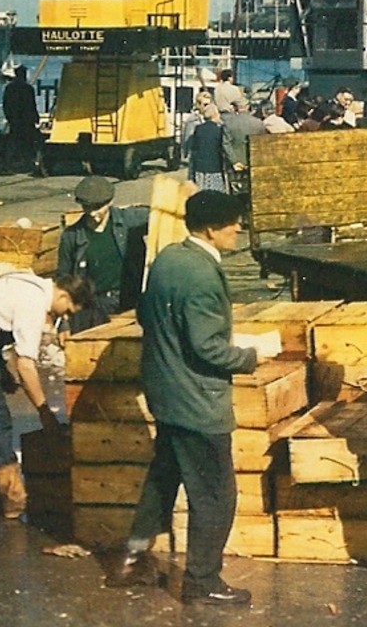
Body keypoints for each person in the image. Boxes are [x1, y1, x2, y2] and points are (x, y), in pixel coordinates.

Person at [109, 189, 279, 604]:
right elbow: (206, 348)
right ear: (210, 228)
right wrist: (252, 355)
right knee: (216, 494)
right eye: (232, 223)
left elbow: (149, 315)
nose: (238, 229)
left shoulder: (168, 258)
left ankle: (132, 560)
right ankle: (203, 582)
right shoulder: (202, 275)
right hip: (196, 401)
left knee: (164, 479)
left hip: (165, 392)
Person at [0, 271, 91, 518]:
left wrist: (0, 371)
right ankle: (13, 500)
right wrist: (43, 410)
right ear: (63, 294)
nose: (63, 317)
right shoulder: (32, 303)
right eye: (67, 311)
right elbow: (26, 365)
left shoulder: (36, 286)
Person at [56, 176, 149, 334]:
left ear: (110, 202)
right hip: (89, 307)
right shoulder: (71, 236)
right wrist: (63, 322)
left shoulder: (128, 221)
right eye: (87, 207)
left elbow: (161, 213)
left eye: (98, 207)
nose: (92, 213)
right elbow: (63, 279)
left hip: (127, 302)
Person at [220, 103, 265, 191]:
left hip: (236, 163)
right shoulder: (258, 123)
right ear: (248, 107)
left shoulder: (228, 123)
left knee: (236, 190)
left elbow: (226, 144)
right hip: (253, 161)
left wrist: (234, 161)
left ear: (236, 108)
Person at [1, 65, 40, 164]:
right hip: (27, 120)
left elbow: (6, 104)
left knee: (14, 140)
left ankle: (10, 161)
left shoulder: (9, 88)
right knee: (28, 141)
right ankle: (28, 160)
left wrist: (9, 117)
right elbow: (31, 104)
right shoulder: (28, 88)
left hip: (14, 119)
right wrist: (36, 118)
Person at [184, 103, 226, 193]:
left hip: (199, 167)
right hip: (214, 167)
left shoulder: (198, 129)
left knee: (201, 193)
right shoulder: (219, 130)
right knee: (215, 193)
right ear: (214, 115)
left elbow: (195, 148)